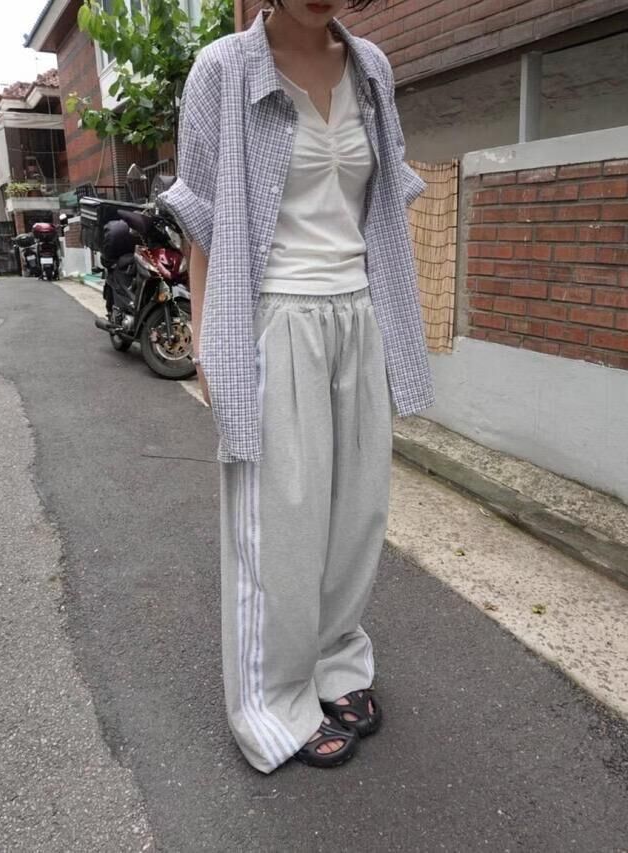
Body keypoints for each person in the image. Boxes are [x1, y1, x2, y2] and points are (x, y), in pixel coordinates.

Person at [158, 0, 434, 774]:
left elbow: (381, 206)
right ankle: (272, 698)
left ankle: (336, 661)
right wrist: (210, 343)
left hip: (359, 316)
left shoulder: (372, 70)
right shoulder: (223, 70)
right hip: (273, 318)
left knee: (355, 514)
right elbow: (204, 219)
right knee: (277, 525)